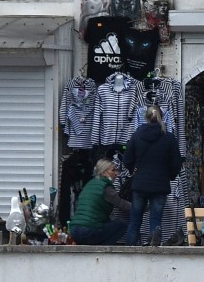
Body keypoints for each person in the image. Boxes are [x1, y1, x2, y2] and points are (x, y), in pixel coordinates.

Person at [122, 105, 182, 246]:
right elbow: (177, 162)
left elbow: (126, 160)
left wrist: (134, 171)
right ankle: (153, 253)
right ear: (162, 116)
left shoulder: (137, 135)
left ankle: (128, 252)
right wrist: (170, 175)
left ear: (146, 117)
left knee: (135, 220)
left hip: (139, 183)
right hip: (160, 184)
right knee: (156, 220)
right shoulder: (168, 137)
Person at [68, 159, 129, 245]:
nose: (116, 174)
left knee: (106, 224)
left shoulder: (89, 184)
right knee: (122, 225)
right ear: (103, 173)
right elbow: (122, 204)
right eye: (113, 170)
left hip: (74, 230)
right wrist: (144, 207)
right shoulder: (106, 188)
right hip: (89, 230)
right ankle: (103, 252)